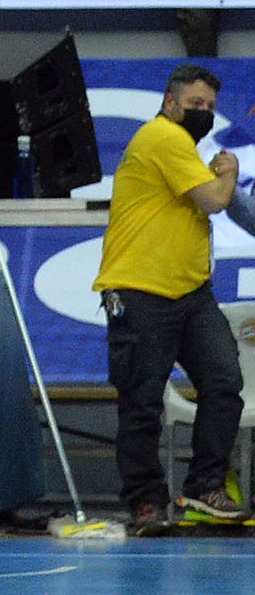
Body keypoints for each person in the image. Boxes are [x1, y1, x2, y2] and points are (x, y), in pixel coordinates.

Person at [95, 63, 249, 534]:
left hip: (191, 292)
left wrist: (224, 178)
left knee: (224, 383)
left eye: (210, 107)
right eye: (195, 104)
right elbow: (217, 201)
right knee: (141, 402)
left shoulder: (187, 154)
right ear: (170, 103)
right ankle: (145, 502)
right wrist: (233, 171)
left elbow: (239, 209)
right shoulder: (161, 138)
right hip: (141, 289)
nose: (203, 112)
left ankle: (204, 488)